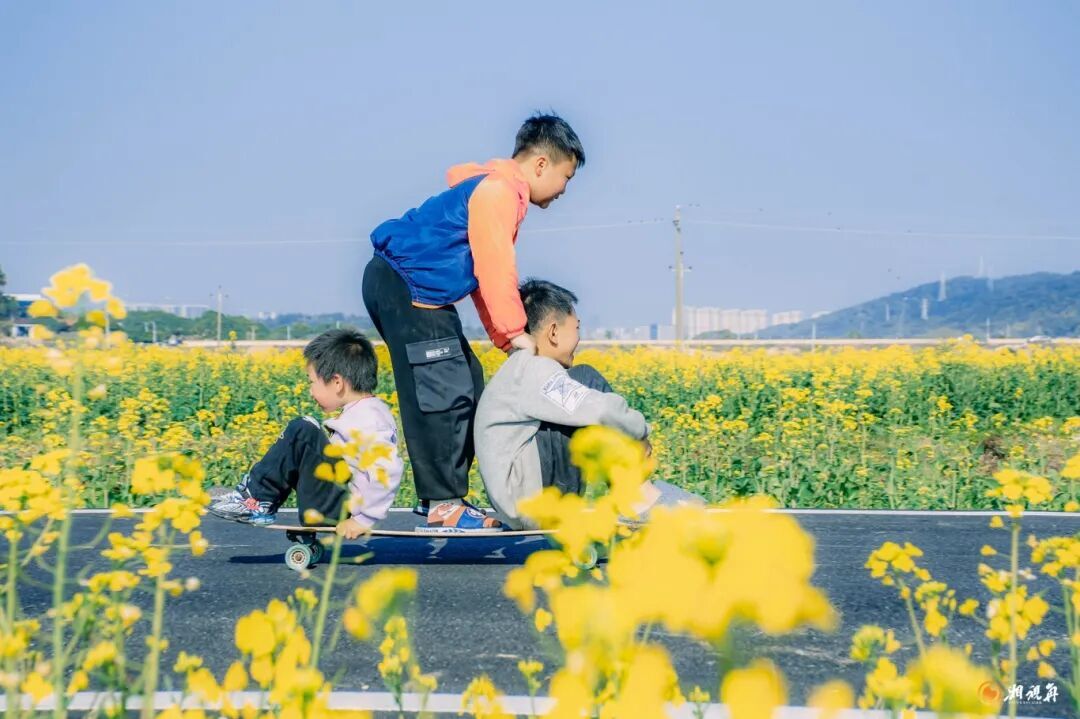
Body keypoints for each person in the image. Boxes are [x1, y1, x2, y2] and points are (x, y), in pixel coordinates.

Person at [362, 113, 585, 531]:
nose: (564, 190)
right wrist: (516, 333)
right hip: (406, 285)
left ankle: (443, 498)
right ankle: (444, 503)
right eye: (566, 177)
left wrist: (506, 338)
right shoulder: (499, 191)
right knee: (444, 388)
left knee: (466, 377)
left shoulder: (496, 189)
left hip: (413, 289)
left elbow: (483, 276)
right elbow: (496, 268)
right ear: (541, 164)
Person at [474, 279, 704, 529]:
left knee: (584, 403)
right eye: (576, 328)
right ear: (553, 332)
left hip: (523, 499)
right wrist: (640, 432)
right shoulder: (532, 368)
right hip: (530, 501)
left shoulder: (521, 369)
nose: (579, 338)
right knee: (586, 381)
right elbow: (602, 410)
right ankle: (637, 499)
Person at [208, 328, 403, 539]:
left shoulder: (370, 419)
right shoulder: (368, 410)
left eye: (312, 382)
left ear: (337, 382)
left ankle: (256, 500)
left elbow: (388, 470)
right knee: (304, 435)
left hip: (339, 508)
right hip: (335, 499)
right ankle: (258, 497)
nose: (310, 391)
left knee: (303, 429)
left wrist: (363, 520)